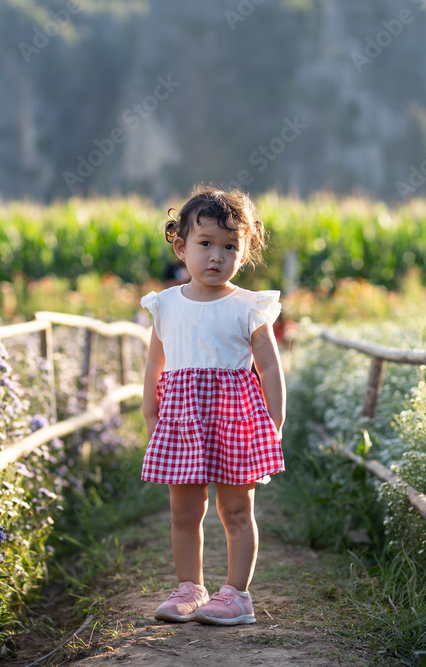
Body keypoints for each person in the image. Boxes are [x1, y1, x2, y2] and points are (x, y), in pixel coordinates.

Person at [140, 185, 286, 626]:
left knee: (236, 510)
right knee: (185, 510)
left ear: (244, 254)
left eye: (229, 247)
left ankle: (237, 595)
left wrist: (274, 421)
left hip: (235, 420)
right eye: (205, 244)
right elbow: (154, 363)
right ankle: (190, 587)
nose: (216, 256)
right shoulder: (165, 305)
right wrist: (151, 416)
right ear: (182, 248)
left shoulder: (249, 307)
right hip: (182, 420)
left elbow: (270, 369)